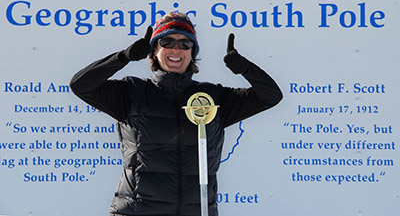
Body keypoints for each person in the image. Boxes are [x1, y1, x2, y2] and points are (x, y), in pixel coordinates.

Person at [70, 11, 283, 216]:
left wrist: (244, 68)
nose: (176, 49)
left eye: (185, 44)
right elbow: (81, 85)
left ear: (193, 54)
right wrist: (123, 57)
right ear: (154, 51)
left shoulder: (211, 98)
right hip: (138, 211)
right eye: (167, 42)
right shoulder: (132, 93)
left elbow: (270, 96)